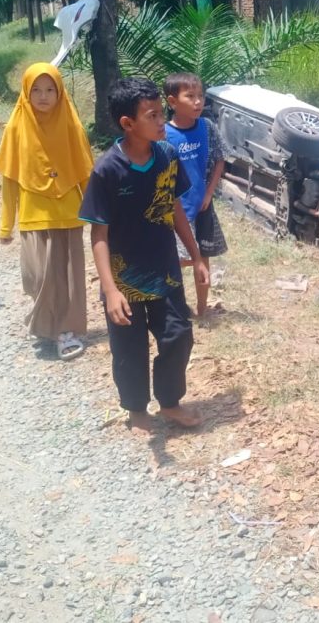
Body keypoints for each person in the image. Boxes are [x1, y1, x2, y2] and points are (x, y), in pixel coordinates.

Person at [79, 77, 210, 435]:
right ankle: (137, 409)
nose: (161, 122)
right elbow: (99, 233)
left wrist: (196, 257)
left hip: (164, 272)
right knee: (129, 351)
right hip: (124, 281)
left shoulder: (167, 156)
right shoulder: (107, 170)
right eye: (152, 116)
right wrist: (110, 290)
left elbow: (175, 209)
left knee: (179, 334)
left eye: (160, 114)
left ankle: (170, 403)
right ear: (128, 124)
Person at [0, 63, 95, 360]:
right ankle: (45, 322)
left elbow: (86, 174)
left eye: (50, 89)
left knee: (68, 277)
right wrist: (5, 226)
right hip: (32, 213)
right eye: (36, 90)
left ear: (60, 91)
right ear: (25, 91)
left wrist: (100, 215)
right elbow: (10, 179)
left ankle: (64, 331)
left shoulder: (71, 125)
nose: (43, 96)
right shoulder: (16, 127)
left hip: (68, 213)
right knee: (36, 277)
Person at [163, 73, 227, 319]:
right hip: (177, 209)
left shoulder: (207, 127)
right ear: (172, 101)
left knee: (204, 258)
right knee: (180, 260)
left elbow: (220, 158)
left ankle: (202, 308)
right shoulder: (165, 134)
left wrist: (209, 194)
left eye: (200, 96)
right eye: (190, 96)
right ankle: (177, 306)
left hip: (202, 207)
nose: (198, 101)